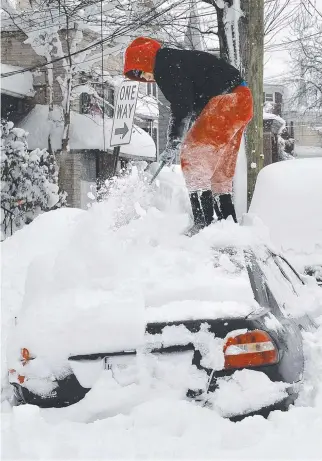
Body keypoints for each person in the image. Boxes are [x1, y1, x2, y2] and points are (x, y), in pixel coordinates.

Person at [123, 37, 253, 233]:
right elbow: (193, 102)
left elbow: (182, 105)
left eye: (141, 70)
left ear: (144, 59)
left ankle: (204, 224)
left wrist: (174, 140)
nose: (144, 77)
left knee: (192, 156)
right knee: (219, 169)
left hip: (225, 102)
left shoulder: (165, 65)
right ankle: (229, 226)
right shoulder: (177, 60)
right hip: (241, 101)